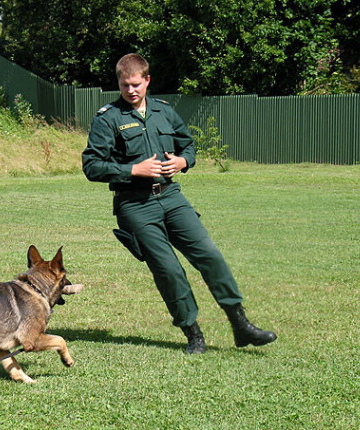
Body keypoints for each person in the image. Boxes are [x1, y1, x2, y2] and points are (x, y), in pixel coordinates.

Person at [81, 53, 277, 353]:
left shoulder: (164, 111)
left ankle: (241, 325)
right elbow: (92, 165)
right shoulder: (108, 118)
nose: (130, 91)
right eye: (124, 86)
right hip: (135, 205)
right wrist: (134, 169)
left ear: (147, 80)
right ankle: (194, 335)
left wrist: (183, 161)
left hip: (171, 197)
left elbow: (188, 144)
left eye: (136, 84)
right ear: (118, 84)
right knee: (168, 270)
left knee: (209, 255)